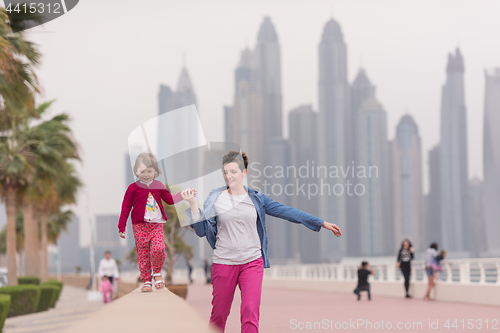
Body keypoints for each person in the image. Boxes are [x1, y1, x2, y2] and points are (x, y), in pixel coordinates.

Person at [183, 151, 342, 333]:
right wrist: (193, 205)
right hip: (224, 263)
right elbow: (202, 231)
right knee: (219, 315)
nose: (229, 176)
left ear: (244, 173)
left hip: (252, 262)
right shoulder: (215, 199)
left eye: (234, 171)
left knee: (250, 313)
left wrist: (321, 222)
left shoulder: (257, 199)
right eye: (226, 172)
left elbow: (287, 212)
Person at [118, 151, 194, 292]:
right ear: (136, 171)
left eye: (149, 171)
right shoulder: (132, 188)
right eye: (142, 171)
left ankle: (157, 273)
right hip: (139, 226)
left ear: (155, 172)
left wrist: (183, 195)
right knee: (143, 254)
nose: (146, 174)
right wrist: (121, 226)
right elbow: (126, 207)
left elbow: (170, 200)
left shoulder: (158, 185)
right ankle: (147, 281)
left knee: (159, 249)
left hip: (156, 226)